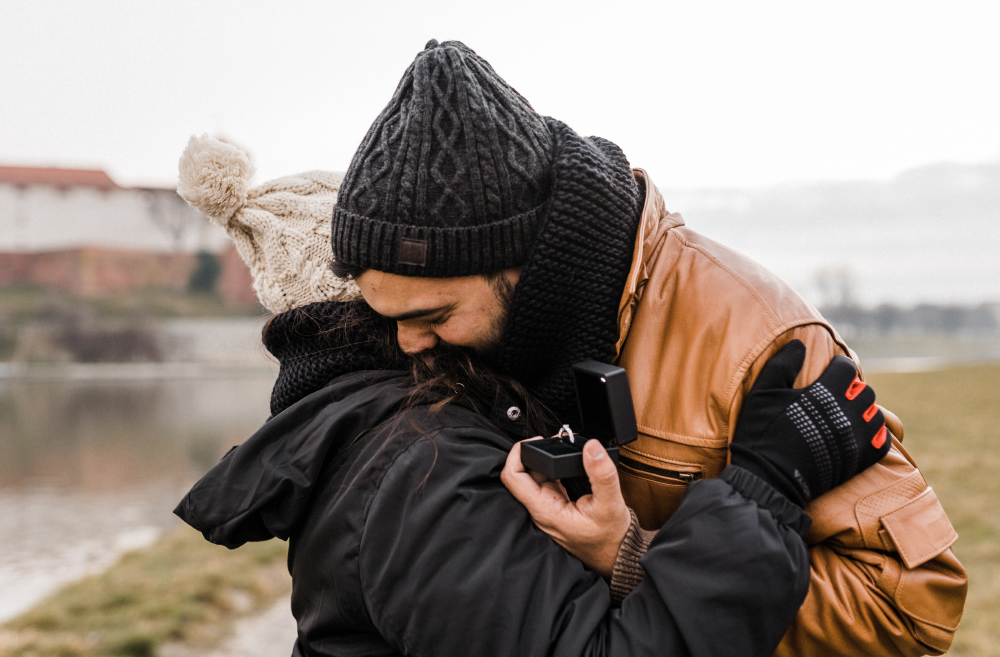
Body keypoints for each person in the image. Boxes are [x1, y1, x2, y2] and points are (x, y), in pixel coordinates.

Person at [328, 40, 967, 655]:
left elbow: (911, 611)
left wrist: (633, 556)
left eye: (432, 316)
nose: (408, 345)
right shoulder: (456, 318)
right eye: (385, 318)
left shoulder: (758, 339)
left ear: (529, 267)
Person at [174, 137, 886, 656]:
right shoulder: (423, 469)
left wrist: (624, 549)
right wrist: (763, 490)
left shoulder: (367, 434)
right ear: (374, 305)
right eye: (418, 312)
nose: (429, 339)